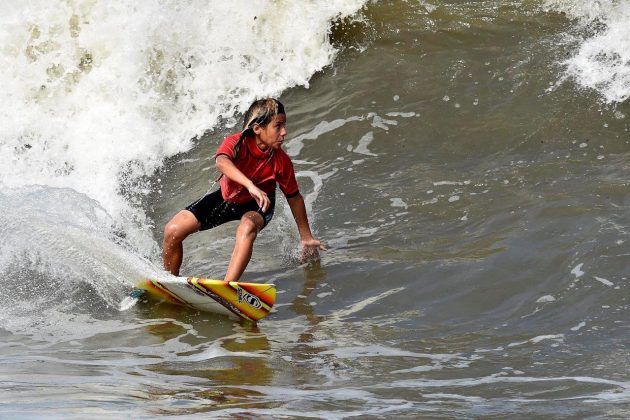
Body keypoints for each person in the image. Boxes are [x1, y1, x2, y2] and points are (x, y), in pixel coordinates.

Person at [162, 98, 325, 280]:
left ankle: (226, 288)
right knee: (173, 230)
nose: (284, 132)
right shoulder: (236, 143)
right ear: (257, 128)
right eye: (278, 126)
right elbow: (221, 162)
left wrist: (306, 236)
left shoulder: (281, 161)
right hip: (226, 199)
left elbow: (294, 197)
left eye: (284, 126)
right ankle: (169, 283)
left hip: (258, 207)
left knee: (247, 226)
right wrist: (250, 185)